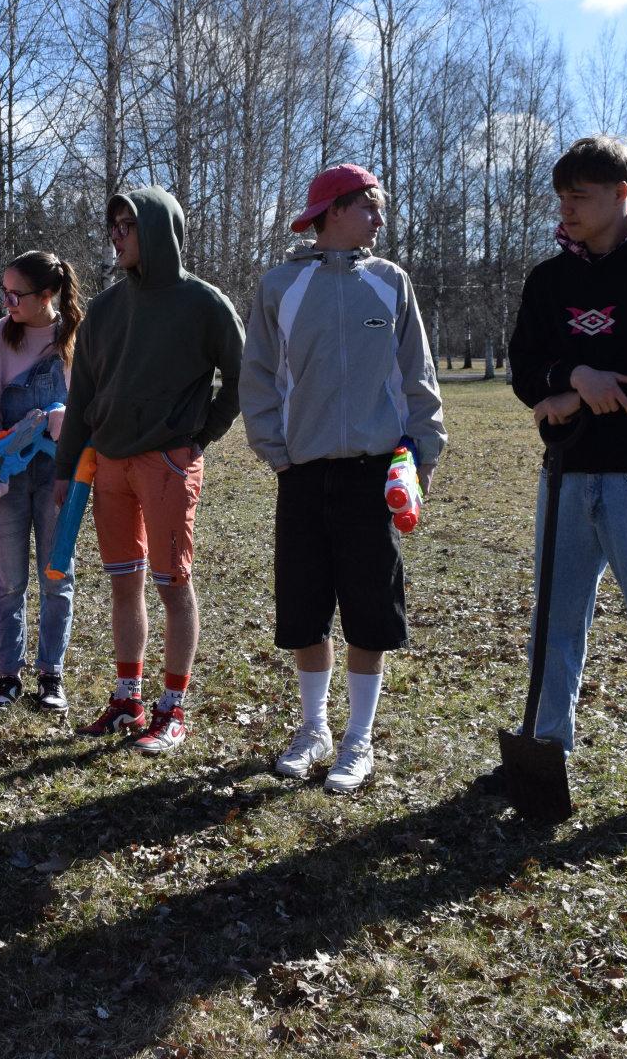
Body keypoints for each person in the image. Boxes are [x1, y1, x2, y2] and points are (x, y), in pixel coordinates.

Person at [478, 134, 627, 841]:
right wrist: (574, 378)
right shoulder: (550, 280)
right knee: (554, 626)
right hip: (566, 477)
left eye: (579, 197)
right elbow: (526, 368)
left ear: (621, 195)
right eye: (561, 197)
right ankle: (545, 746)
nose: (566, 209)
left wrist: (579, 391)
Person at [241, 165, 446, 793]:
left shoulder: (390, 282)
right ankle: (314, 729)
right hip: (302, 473)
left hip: (373, 477)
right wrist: (278, 452)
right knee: (305, 611)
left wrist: (423, 456)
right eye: (368, 208)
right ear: (333, 211)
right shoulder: (280, 285)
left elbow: (417, 375)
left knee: (369, 611)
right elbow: (258, 375)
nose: (379, 221)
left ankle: (358, 739)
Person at [56, 186, 244, 754]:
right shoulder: (105, 310)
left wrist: (197, 438)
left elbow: (243, 378)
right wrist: (66, 468)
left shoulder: (203, 303)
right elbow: (83, 394)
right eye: (112, 226)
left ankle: (172, 708)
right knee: (124, 583)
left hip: (167, 463)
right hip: (108, 465)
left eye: (127, 225)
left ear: (158, 229)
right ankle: (128, 700)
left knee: (172, 584)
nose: (115, 236)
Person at [0, 252, 83, 712]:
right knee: (8, 580)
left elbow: (92, 406)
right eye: (5, 293)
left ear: (46, 296)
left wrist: (67, 418)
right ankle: (8, 676)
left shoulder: (78, 335)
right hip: (7, 475)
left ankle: (51, 675)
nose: (8, 302)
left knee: (57, 576)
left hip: (62, 474)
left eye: (16, 295)